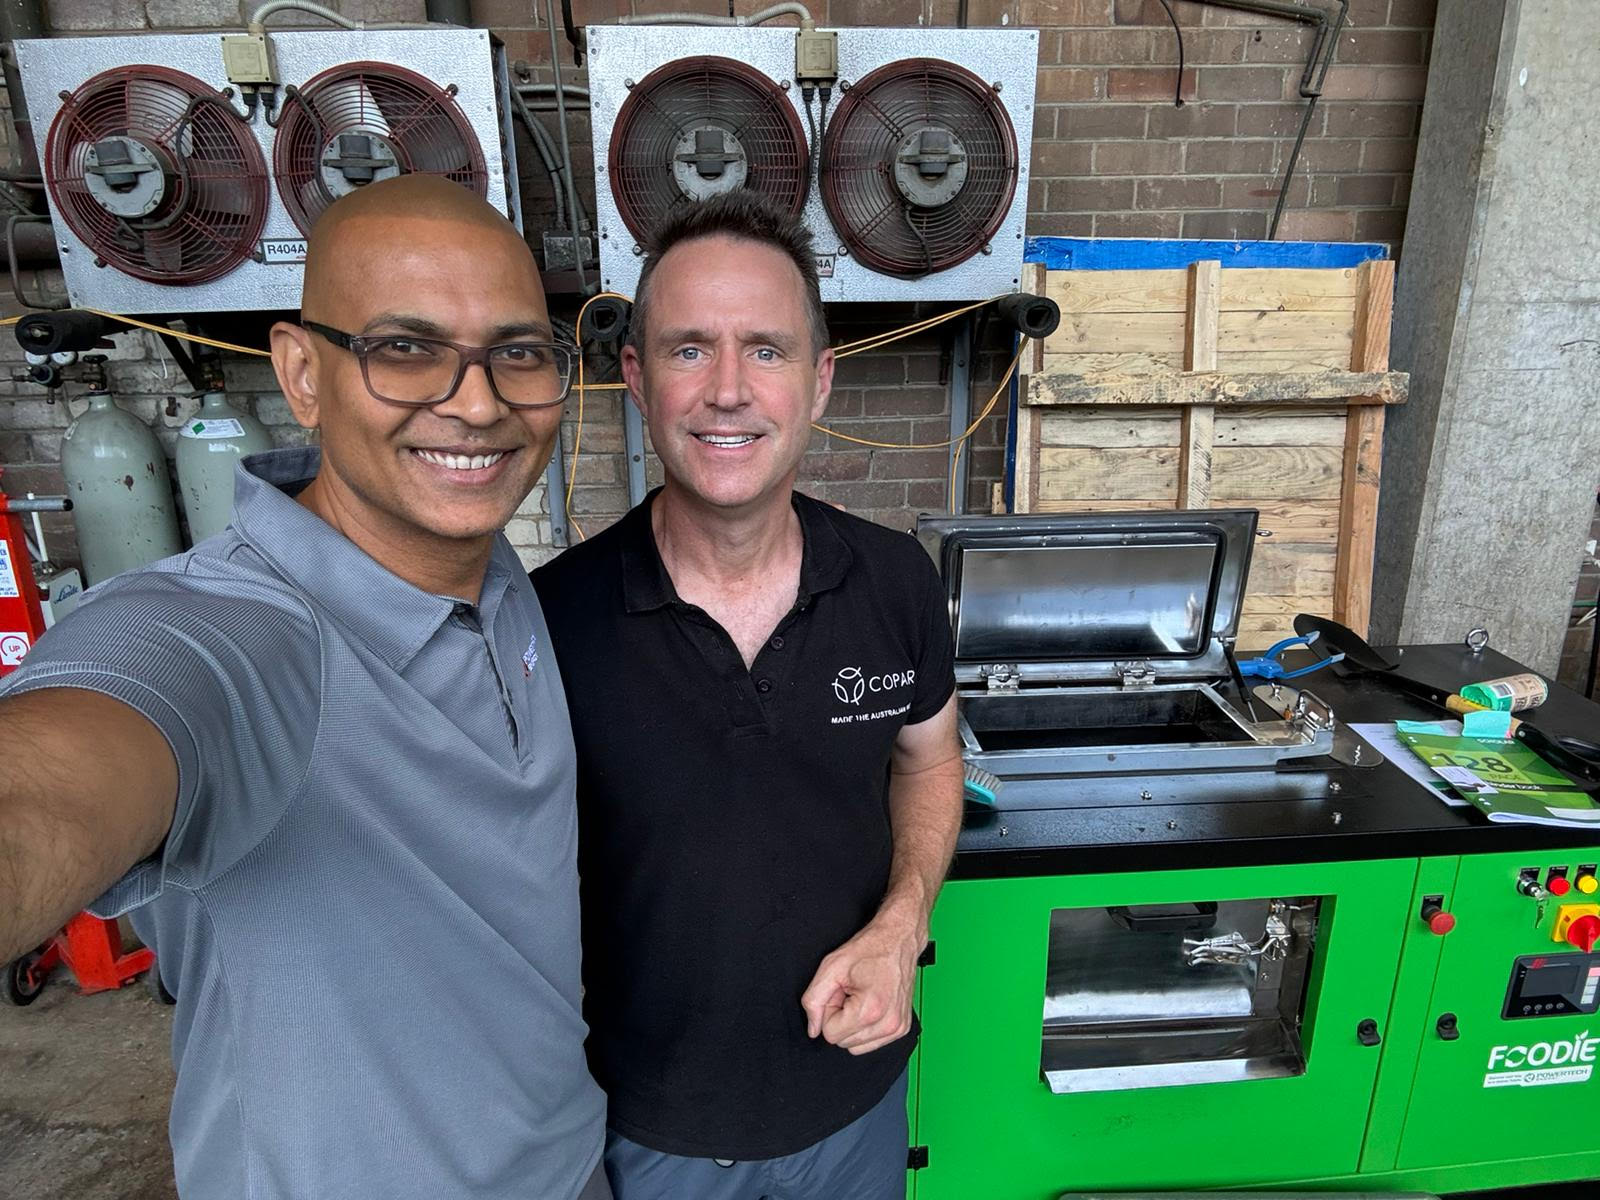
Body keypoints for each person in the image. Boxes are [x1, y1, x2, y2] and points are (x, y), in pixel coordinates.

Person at [0, 176, 609, 1200]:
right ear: (302, 372)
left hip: (565, 1168)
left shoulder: (502, 583)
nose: (476, 402)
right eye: (404, 348)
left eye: (517, 351)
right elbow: (61, 775)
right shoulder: (235, 637)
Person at [533, 190, 964, 1200]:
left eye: (766, 350)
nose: (728, 390)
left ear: (818, 382)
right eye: (689, 349)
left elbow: (932, 758)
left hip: (857, 1111)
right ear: (637, 380)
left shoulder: (896, 581)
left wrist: (903, 924)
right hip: (645, 1134)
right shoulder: (547, 622)